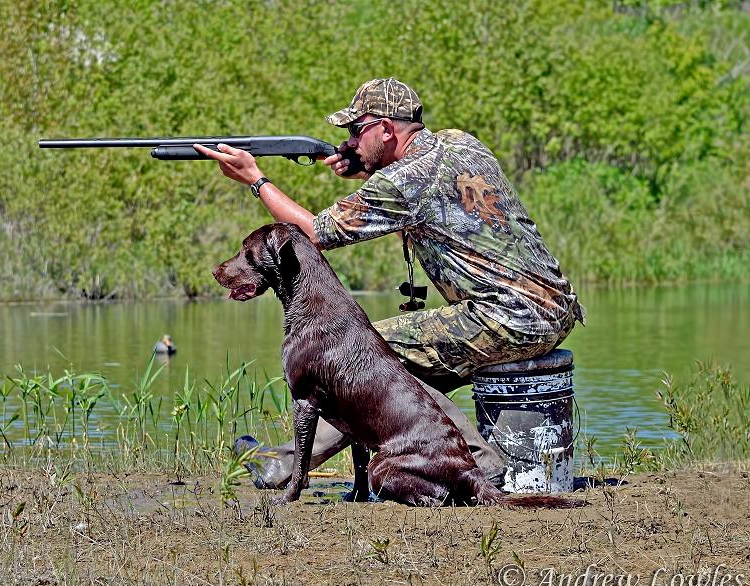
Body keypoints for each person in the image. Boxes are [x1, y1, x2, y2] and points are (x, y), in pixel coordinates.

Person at [194, 78, 584, 490]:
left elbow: (313, 233)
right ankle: (288, 464)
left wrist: (256, 179)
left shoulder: (402, 181)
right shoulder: (459, 143)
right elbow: (426, 193)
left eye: (355, 131)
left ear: (385, 129)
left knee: (364, 350)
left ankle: (479, 464)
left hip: (506, 317)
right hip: (552, 308)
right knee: (389, 356)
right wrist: (368, 164)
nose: (348, 141)